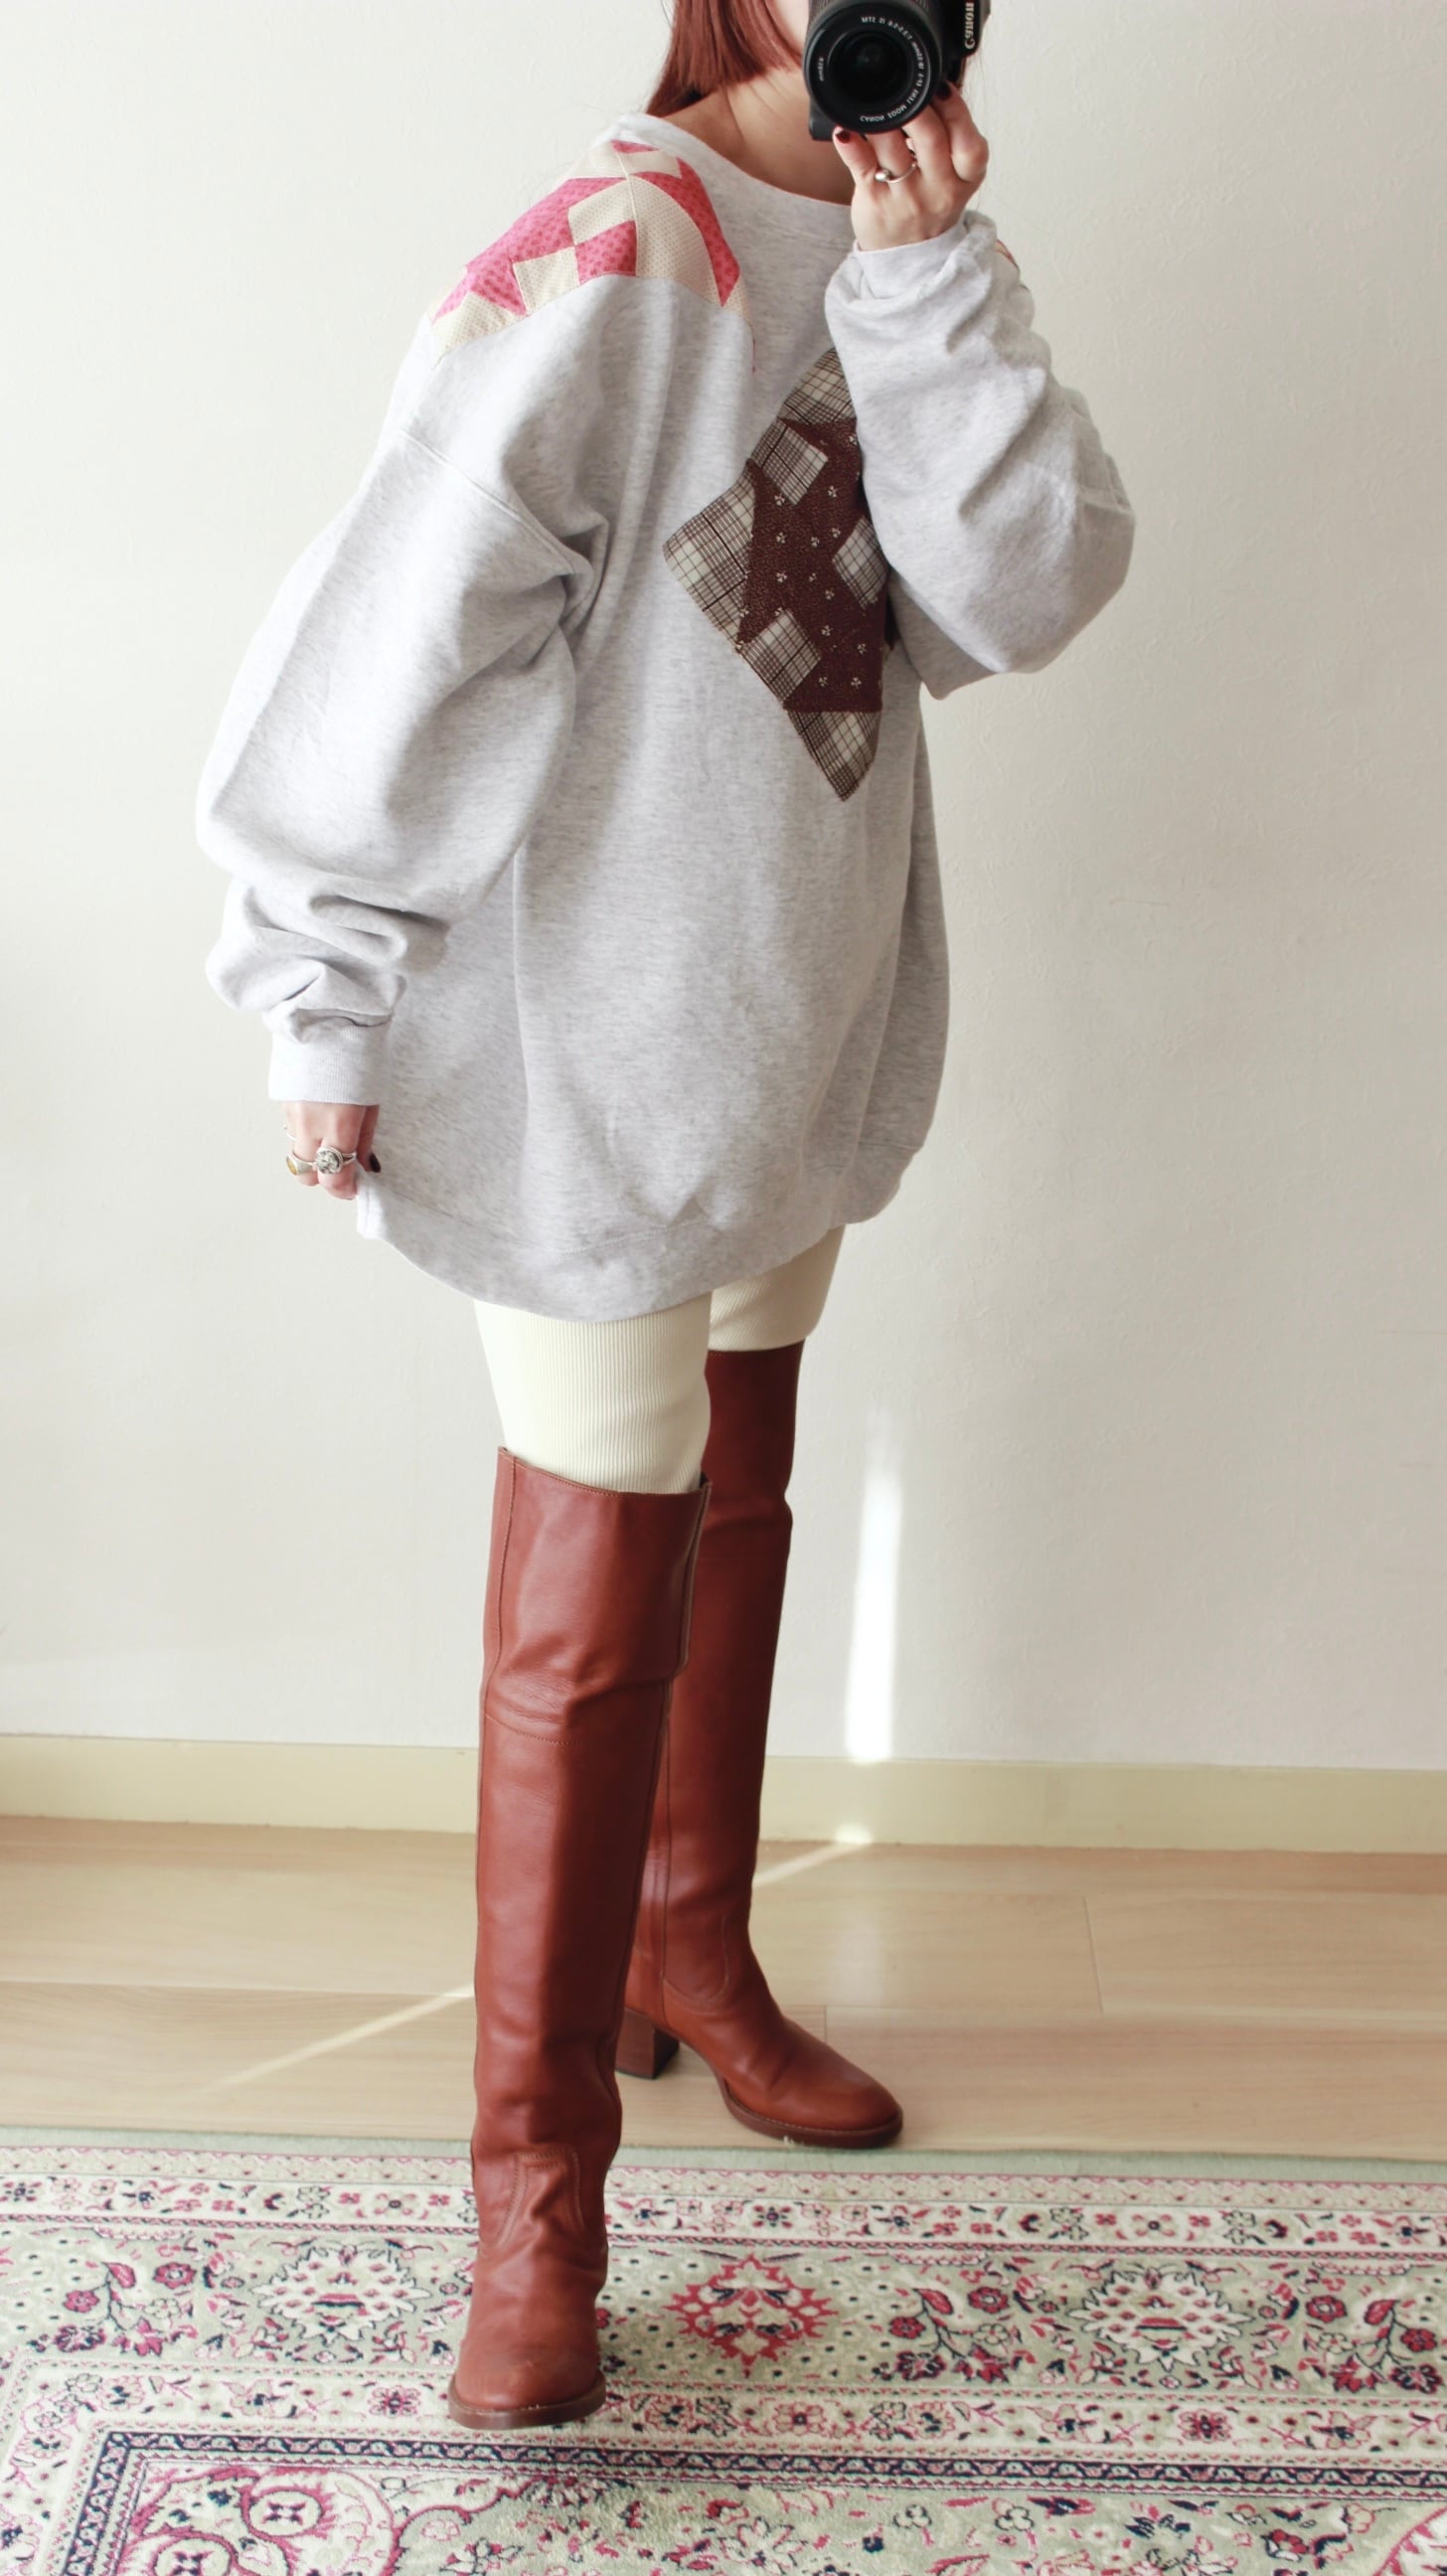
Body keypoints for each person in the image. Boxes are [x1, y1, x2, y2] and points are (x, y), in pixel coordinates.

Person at [196, 0, 1135, 2435]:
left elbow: (1013, 596)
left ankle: (688, 1948)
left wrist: (927, 290)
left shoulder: (915, 240)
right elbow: (404, 608)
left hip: (796, 1010)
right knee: (600, 1554)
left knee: (738, 1473)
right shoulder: (615, 247)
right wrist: (322, 987)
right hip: (586, 1032)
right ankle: (536, 2204)